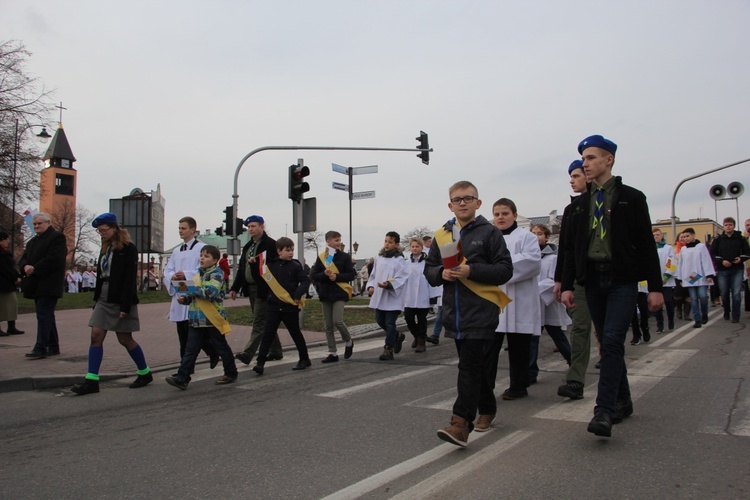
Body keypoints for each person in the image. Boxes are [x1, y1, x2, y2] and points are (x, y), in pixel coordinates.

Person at [561, 135, 663, 438]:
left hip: (621, 280)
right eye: (583, 159)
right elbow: (570, 249)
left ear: (609, 160)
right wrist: (566, 285)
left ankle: (603, 410)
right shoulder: (580, 206)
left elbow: (646, 244)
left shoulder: (631, 197)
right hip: (591, 280)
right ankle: (623, 400)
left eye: (591, 158)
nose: (585, 163)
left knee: (614, 340)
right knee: (608, 344)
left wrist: (655, 286)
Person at [424, 181, 513, 447]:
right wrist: (442, 273)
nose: (462, 203)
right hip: (454, 312)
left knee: (469, 366)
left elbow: (505, 269)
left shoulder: (490, 233)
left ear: (478, 203)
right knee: (475, 367)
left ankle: (460, 423)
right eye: (457, 199)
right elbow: (429, 271)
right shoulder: (441, 235)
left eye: (468, 198)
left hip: (481, 309)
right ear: (450, 205)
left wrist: (471, 270)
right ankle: (487, 408)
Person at [71, 213, 153, 395]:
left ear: (115, 228)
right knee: (96, 335)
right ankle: (91, 380)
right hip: (104, 297)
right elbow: (101, 276)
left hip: (121, 298)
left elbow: (129, 279)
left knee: (124, 339)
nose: (101, 233)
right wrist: (96, 299)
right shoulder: (104, 248)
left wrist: (125, 306)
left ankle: (145, 372)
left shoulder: (128, 248)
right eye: (99, 231)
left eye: (104, 230)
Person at [165, 245, 238, 390]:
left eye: (206, 256)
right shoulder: (198, 275)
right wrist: (185, 299)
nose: (202, 258)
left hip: (212, 319)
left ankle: (231, 372)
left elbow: (210, 292)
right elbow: (194, 295)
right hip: (196, 319)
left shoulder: (217, 274)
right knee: (190, 349)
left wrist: (190, 288)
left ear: (215, 260)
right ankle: (182, 378)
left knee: (221, 347)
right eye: (201, 255)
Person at [492, 198, 541, 399]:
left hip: (519, 299)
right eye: (497, 214)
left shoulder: (526, 237)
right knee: (490, 347)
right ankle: (485, 386)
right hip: (494, 300)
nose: (500, 217)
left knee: (519, 347)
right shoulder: (490, 237)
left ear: (514, 214)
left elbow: (532, 261)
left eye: (505, 213)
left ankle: (519, 386)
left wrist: (499, 268)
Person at [555, 160, 594, 400]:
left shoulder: (606, 202)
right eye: (571, 176)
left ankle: (620, 392)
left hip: (610, 280)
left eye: (576, 175)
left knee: (608, 335)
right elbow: (566, 249)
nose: (572, 180)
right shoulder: (572, 209)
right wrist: (562, 281)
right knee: (579, 328)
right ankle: (576, 380)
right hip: (581, 280)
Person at [162, 217, 218, 368]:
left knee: (195, 333)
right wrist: (171, 276)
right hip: (179, 291)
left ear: (192, 230)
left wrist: (184, 274)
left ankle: (211, 353)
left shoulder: (202, 248)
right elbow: (168, 269)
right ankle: (186, 367)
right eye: (179, 228)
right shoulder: (175, 251)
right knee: (183, 333)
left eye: (183, 228)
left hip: (194, 291)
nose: (180, 231)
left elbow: (203, 270)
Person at [252, 237, 311, 374]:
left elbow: (305, 281)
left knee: (295, 333)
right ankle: (260, 363)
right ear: (279, 251)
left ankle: (304, 358)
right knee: (268, 334)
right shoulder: (271, 266)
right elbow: (261, 279)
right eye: (287, 250)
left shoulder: (296, 266)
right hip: (273, 305)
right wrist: (253, 264)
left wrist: (297, 294)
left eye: (292, 250)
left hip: (289, 306)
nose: (290, 253)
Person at [230, 215, 284, 364]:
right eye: (249, 227)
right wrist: (235, 287)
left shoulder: (271, 245)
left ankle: (248, 353)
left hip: (265, 289)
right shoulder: (248, 246)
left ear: (262, 227)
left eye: (254, 226)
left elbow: (276, 266)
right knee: (266, 321)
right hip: (251, 288)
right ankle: (276, 350)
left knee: (259, 321)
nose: (251, 229)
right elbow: (242, 269)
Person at [19, 212, 67, 359]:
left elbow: (54, 259)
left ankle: (41, 347)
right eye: (34, 224)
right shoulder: (32, 242)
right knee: (47, 316)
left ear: (48, 223)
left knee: (43, 315)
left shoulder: (57, 238)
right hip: (36, 284)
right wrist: (25, 266)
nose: (37, 226)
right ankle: (53, 346)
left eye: (39, 223)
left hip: (49, 284)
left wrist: (35, 268)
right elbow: (24, 258)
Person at [530, 224, 571, 383]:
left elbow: (554, 280)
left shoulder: (553, 258)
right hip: (534, 304)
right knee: (533, 338)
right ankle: (531, 372)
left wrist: (534, 289)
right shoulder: (530, 257)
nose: (536, 236)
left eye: (539, 234)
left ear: (547, 237)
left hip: (548, 302)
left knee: (557, 335)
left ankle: (573, 362)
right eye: (533, 233)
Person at [311, 230, 355, 363]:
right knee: (328, 325)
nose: (339, 243)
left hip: (339, 293)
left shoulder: (344, 257)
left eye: (339, 240)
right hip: (325, 293)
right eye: (336, 240)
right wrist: (324, 274)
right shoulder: (322, 257)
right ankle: (333, 352)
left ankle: (348, 341)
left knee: (338, 321)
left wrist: (337, 277)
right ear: (328, 241)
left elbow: (351, 275)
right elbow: (314, 276)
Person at [366, 231, 408, 361]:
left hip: (393, 297)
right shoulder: (379, 258)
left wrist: (389, 284)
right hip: (380, 296)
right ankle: (397, 335)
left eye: (390, 242)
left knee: (390, 323)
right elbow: (373, 275)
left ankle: (388, 348)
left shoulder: (399, 260)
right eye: (385, 241)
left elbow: (402, 277)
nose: (387, 244)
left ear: (396, 244)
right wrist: (371, 286)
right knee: (380, 320)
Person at [710, 217, 750, 323]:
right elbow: (713, 253)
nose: (728, 227)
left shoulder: (740, 239)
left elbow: (747, 252)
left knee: (736, 293)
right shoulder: (718, 240)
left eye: (730, 225)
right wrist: (722, 261)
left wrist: (741, 258)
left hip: (737, 269)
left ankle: (736, 315)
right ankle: (727, 311)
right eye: (726, 225)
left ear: (734, 226)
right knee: (724, 292)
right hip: (723, 270)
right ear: (723, 226)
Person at [676, 228, 715, 328]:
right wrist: (680, 278)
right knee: (693, 298)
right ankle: (697, 319)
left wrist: (709, 274)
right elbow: (681, 264)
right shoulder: (684, 249)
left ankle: (704, 313)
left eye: (687, 236)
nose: (685, 238)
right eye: (684, 237)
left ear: (693, 235)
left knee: (702, 296)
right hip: (689, 276)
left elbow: (706, 260)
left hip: (699, 275)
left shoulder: (700, 247)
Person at [403, 237, 432, 353]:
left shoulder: (427, 262)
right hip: (409, 296)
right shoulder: (406, 263)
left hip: (422, 295)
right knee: (408, 318)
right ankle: (416, 335)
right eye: (413, 246)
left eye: (417, 246)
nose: (415, 248)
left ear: (422, 247)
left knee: (421, 319)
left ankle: (421, 341)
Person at [0, 231, 24, 336]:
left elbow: (11, 267)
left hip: (8, 283)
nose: (8, 242)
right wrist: (15, 278)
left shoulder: (5, 252)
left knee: (12, 304)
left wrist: (17, 275)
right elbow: (4, 268)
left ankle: (11, 326)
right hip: (2, 283)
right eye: (6, 239)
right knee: (2, 306)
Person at [653, 228, 676, 333]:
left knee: (668, 301)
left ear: (662, 236)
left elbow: (671, 261)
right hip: (655, 281)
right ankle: (660, 325)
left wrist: (666, 276)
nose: (656, 236)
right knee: (657, 303)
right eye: (654, 235)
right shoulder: (650, 248)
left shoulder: (668, 248)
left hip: (666, 280)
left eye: (658, 234)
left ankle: (671, 320)